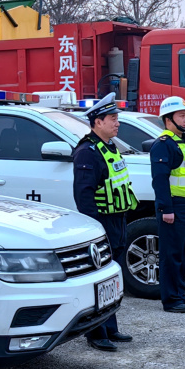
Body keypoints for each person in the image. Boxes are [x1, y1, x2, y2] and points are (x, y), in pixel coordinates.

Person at [72, 93, 136, 350]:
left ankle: (110, 328)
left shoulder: (109, 147)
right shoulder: (88, 152)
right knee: (99, 280)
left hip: (116, 221)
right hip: (101, 224)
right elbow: (84, 195)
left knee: (112, 279)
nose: (117, 123)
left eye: (117, 118)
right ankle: (96, 333)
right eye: (112, 119)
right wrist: (94, 229)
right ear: (97, 122)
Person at [150, 96, 185, 314]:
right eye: (181, 115)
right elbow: (160, 180)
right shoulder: (164, 145)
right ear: (168, 118)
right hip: (175, 207)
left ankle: (181, 295)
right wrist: (166, 209)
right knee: (171, 255)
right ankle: (171, 300)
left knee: (182, 254)